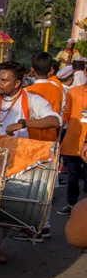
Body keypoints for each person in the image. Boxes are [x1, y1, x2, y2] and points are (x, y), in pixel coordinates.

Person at [0, 61, 60, 255]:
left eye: (4, 80)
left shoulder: (32, 100)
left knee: (6, 208)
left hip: (16, 162)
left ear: (17, 83)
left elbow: (54, 120)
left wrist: (25, 123)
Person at [58, 65, 87, 216]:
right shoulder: (73, 93)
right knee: (73, 175)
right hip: (73, 141)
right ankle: (72, 204)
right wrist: (56, 134)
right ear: (85, 72)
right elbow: (65, 115)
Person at [25, 52, 64, 141]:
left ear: (32, 69)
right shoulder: (58, 90)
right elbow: (60, 116)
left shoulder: (26, 91)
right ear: (51, 70)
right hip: (51, 138)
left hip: (31, 139)